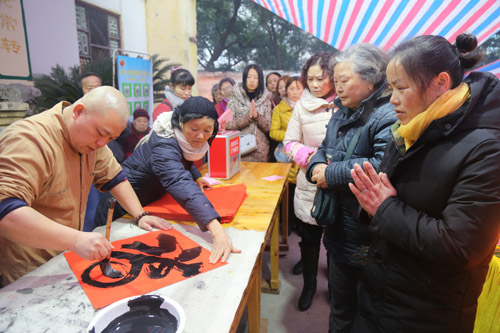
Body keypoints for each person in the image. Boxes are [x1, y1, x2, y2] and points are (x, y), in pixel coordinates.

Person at [348, 34, 500, 332]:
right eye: (391, 89)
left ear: (440, 83)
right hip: (382, 292)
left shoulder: (486, 148)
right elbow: (387, 200)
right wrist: (371, 207)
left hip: (428, 312)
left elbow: (462, 248)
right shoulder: (408, 130)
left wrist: (384, 209)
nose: (392, 100)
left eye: (401, 88)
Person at [0, 86, 172, 286]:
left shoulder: (91, 141)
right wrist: (75, 240)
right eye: (101, 133)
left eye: (110, 139)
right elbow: (6, 212)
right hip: (29, 268)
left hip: (65, 257)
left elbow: (116, 178)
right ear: (78, 111)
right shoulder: (29, 139)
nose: (102, 143)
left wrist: (140, 215)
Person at [306, 44, 396, 332]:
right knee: (340, 303)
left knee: (361, 306)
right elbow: (322, 148)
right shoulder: (343, 111)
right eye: (337, 80)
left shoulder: (387, 115)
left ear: (370, 79)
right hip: (338, 228)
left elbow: (382, 165)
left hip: (363, 235)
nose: (338, 87)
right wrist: (315, 167)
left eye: (344, 81)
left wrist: (330, 173)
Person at [95, 96, 241, 264]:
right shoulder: (164, 141)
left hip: (147, 203)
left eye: (208, 130)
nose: (201, 136)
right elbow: (177, 178)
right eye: (194, 128)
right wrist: (216, 230)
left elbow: (181, 159)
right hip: (121, 208)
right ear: (180, 121)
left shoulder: (179, 137)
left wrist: (197, 176)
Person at [283, 53, 336, 311]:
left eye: (321, 79)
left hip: (339, 182)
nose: (315, 85)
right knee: (310, 237)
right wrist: (310, 157)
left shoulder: (347, 103)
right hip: (309, 183)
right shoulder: (301, 106)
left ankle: (336, 285)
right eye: (310, 79)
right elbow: (289, 142)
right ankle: (309, 285)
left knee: (337, 240)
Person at [225, 64, 273, 162]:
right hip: (239, 150)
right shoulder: (234, 98)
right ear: (244, 78)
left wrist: (257, 117)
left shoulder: (266, 99)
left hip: (260, 151)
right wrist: (248, 118)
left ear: (260, 80)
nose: (252, 80)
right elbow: (227, 125)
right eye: (249, 77)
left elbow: (269, 127)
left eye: (255, 77)